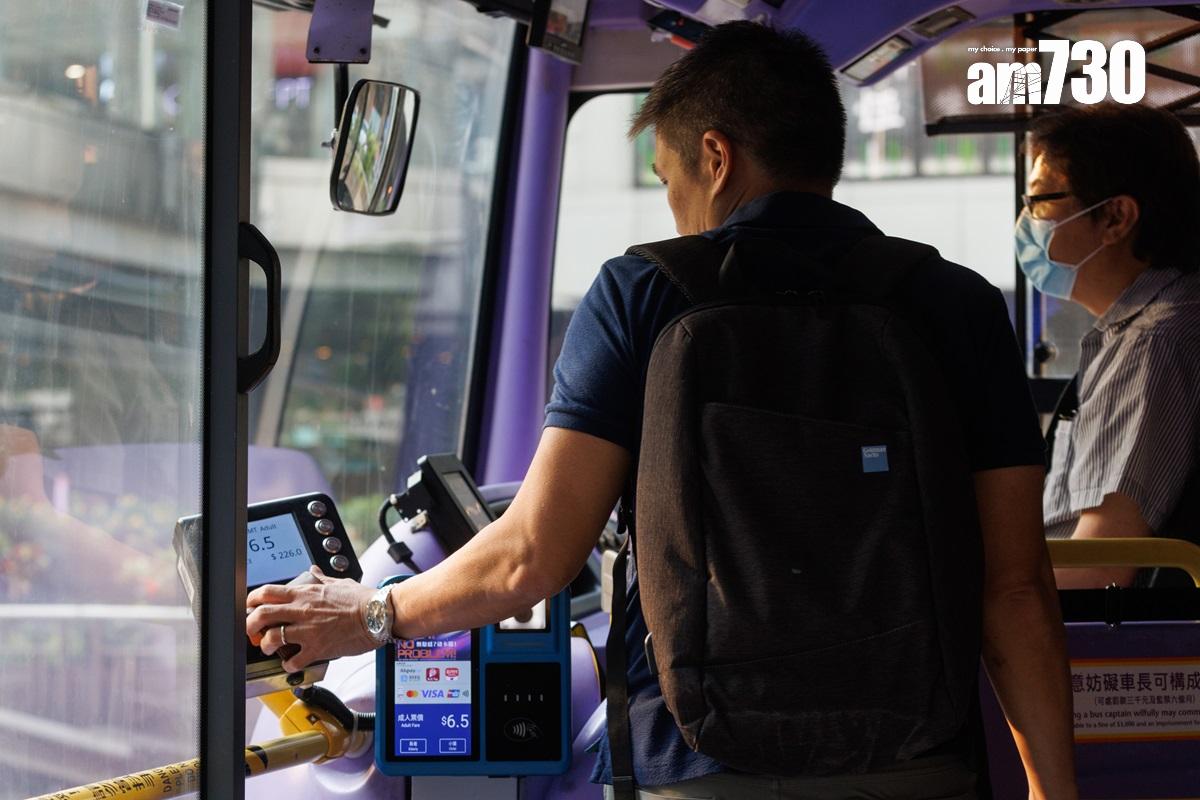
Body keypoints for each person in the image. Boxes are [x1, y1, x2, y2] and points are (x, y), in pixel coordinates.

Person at [248, 22, 1077, 799]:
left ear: (715, 157)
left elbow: (532, 556)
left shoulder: (645, 292)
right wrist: (1053, 790)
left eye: (671, 181)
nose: (675, 211)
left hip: (700, 767)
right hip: (915, 762)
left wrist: (371, 613)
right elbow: (1015, 587)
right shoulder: (956, 305)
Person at [1015, 104, 1200, 589]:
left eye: (1039, 203)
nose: (1026, 223)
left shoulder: (1154, 344)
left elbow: (1099, 570)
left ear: (1115, 217)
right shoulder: (1136, 333)